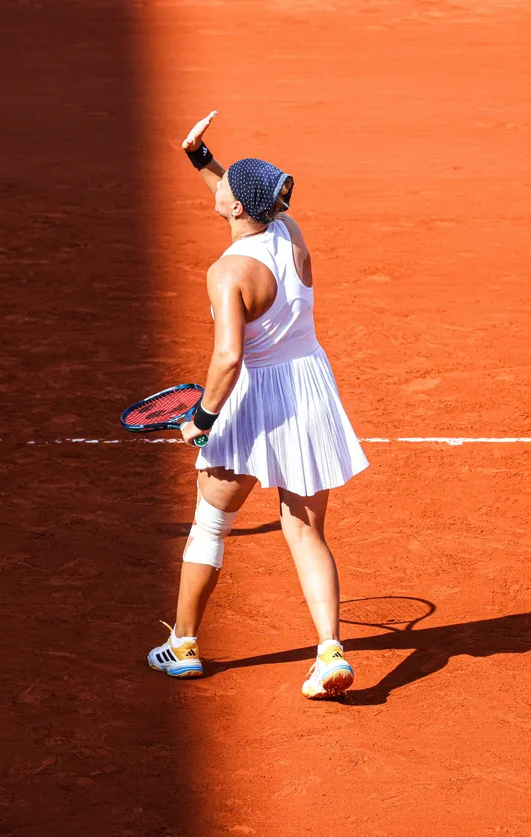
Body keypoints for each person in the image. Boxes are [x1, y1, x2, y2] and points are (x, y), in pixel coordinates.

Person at [146, 112, 370, 698]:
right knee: (307, 532)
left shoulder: (227, 272)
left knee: (211, 524)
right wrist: (203, 160)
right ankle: (330, 653)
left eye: (225, 186)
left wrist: (201, 419)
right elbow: (243, 200)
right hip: (307, 390)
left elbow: (227, 360)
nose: (216, 189)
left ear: (238, 208)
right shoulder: (289, 233)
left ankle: (185, 646)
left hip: (249, 400)